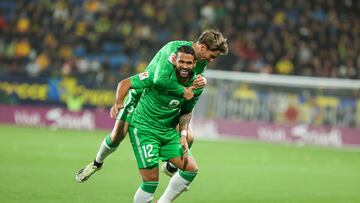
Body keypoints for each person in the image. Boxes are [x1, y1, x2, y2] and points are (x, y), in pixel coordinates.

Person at [75, 29, 228, 182]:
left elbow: (190, 78)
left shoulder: (201, 61)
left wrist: (202, 80)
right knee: (117, 136)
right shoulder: (173, 49)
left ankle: (170, 167)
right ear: (202, 48)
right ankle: (97, 163)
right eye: (212, 56)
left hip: (166, 102)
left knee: (189, 137)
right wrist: (183, 91)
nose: (212, 60)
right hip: (142, 96)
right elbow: (158, 80)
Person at [119, 45, 202, 203]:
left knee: (191, 168)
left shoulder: (196, 84)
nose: (185, 66)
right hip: (144, 129)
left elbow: (186, 112)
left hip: (168, 131)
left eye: (189, 63)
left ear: (194, 64)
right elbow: (126, 83)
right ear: (174, 62)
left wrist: (183, 134)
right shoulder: (158, 75)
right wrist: (118, 102)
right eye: (181, 62)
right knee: (151, 181)